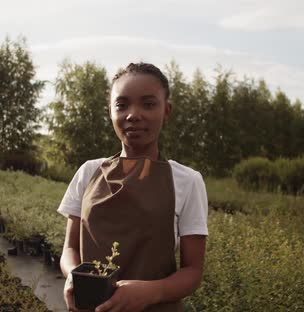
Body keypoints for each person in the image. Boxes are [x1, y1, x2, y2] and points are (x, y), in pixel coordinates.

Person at [57, 62, 208, 312]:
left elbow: (192, 271)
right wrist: (73, 276)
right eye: (122, 104)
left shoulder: (187, 181)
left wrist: (151, 292)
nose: (133, 114)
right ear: (111, 111)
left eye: (148, 104)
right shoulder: (88, 172)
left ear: (166, 110)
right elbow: (70, 248)